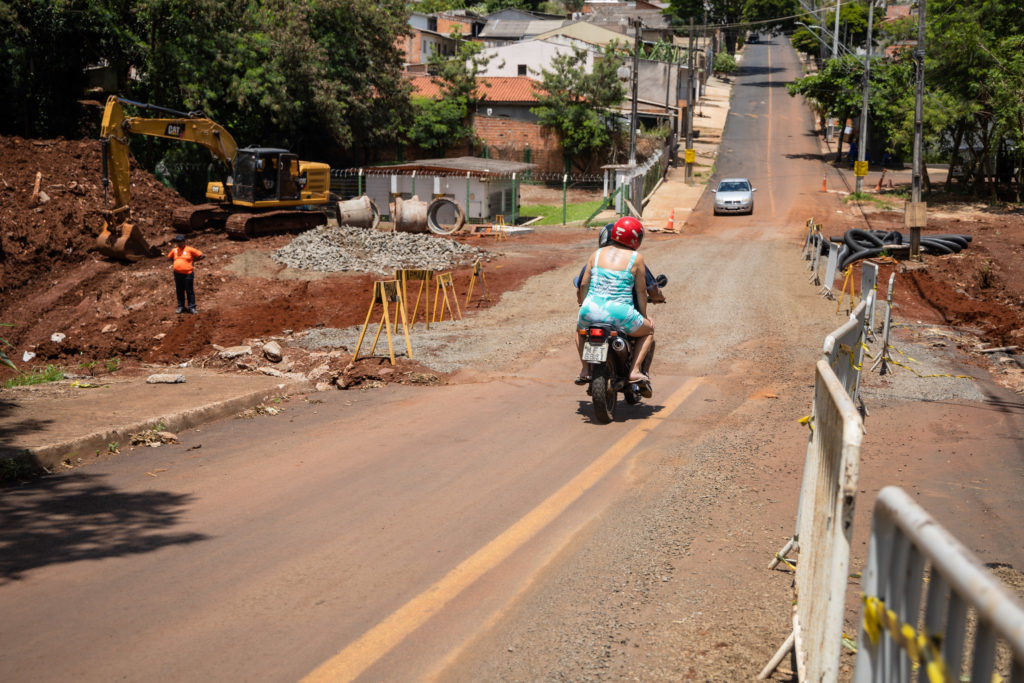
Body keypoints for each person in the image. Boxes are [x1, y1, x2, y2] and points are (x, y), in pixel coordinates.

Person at [575, 216, 655, 391]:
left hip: (590, 310)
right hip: (620, 314)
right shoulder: (636, 258)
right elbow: (641, 292)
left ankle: (585, 369)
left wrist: (583, 305)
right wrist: (643, 315)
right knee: (649, 331)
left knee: (579, 331)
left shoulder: (596, 254)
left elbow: (583, 285)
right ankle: (634, 370)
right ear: (636, 238)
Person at [168, 234, 204, 314]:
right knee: (179, 290)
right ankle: (181, 306)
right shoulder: (174, 250)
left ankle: (192, 307)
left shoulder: (189, 249)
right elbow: (170, 257)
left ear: (184, 241)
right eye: (177, 241)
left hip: (188, 274)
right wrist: (176, 264)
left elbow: (201, 255)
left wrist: (194, 261)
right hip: (177, 274)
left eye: (180, 241)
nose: (179, 243)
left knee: (189, 291)